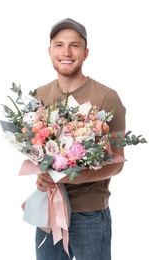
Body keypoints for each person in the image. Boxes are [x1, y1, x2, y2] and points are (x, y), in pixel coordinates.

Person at [35, 18, 126, 260]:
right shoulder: (39, 95)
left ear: (85, 53)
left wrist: (74, 177)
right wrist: (42, 176)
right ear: (50, 51)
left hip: (89, 214)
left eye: (74, 46)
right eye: (59, 45)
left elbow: (117, 163)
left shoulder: (107, 97)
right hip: (48, 212)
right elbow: (37, 148)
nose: (66, 52)